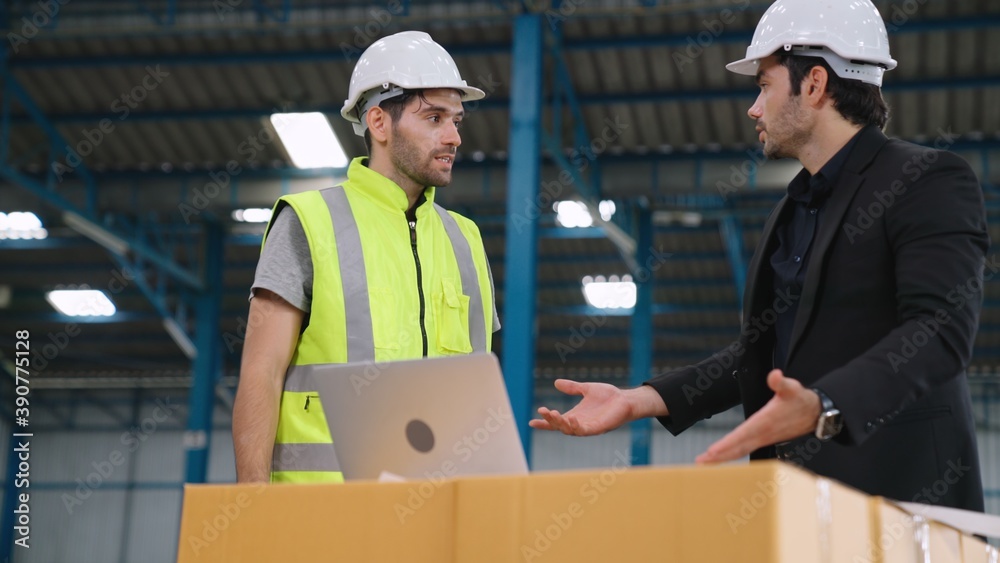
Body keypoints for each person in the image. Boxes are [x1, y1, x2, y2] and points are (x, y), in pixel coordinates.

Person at [531, 0, 988, 511]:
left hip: (907, 506)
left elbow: (940, 330)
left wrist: (825, 405)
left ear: (814, 84)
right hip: (802, 514)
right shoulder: (791, 212)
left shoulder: (926, 179)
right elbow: (759, 355)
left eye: (764, 85)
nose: (754, 108)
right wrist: (638, 400)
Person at [232, 31, 500, 484]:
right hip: (320, 521)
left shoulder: (466, 240)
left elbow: (478, 392)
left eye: (456, 119)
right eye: (434, 117)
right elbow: (261, 374)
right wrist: (252, 511)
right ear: (378, 123)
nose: (454, 136)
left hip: (433, 521)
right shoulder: (309, 222)